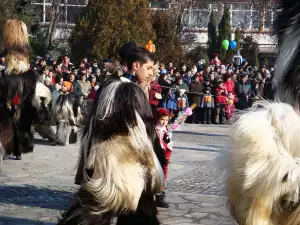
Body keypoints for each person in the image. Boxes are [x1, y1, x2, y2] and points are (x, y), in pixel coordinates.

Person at [154, 108, 173, 208]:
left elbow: (167, 142)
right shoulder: (154, 129)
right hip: (155, 153)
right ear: (157, 119)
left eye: (166, 120)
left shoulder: (166, 129)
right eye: (162, 119)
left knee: (163, 173)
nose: (164, 122)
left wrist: (168, 139)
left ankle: (160, 195)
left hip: (164, 153)